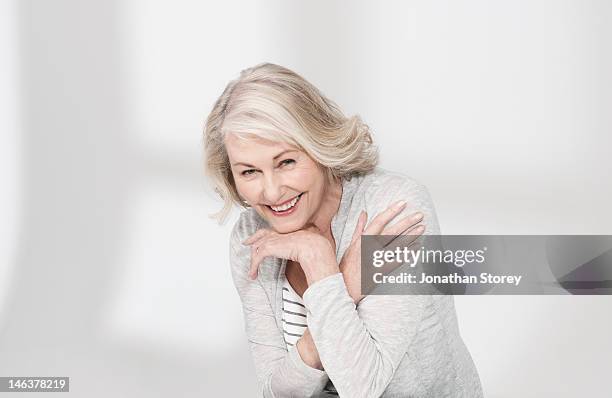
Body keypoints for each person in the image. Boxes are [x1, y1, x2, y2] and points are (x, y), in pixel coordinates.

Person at [203, 62, 483, 397]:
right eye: (249, 172)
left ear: (319, 146)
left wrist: (319, 262)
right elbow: (275, 391)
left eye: (286, 162)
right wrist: (344, 285)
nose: (272, 192)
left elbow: (364, 386)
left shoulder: (395, 208)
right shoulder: (252, 235)